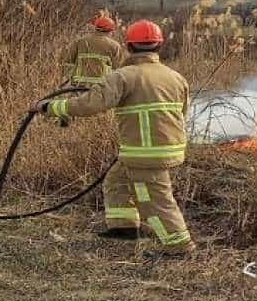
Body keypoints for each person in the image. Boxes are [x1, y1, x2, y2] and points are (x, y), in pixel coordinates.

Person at [31, 20, 194, 257]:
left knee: (154, 199)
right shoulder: (176, 77)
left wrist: (50, 107)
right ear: (159, 45)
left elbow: (89, 105)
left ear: (129, 46)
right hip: (166, 147)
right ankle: (124, 227)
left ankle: (179, 245)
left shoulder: (123, 77)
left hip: (144, 152)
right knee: (116, 181)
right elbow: (183, 112)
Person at [60, 16, 126, 86]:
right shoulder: (115, 45)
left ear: (95, 28)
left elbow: (67, 60)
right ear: (111, 31)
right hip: (102, 86)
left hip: (79, 85)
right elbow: (118, 69)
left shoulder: (80, 41)